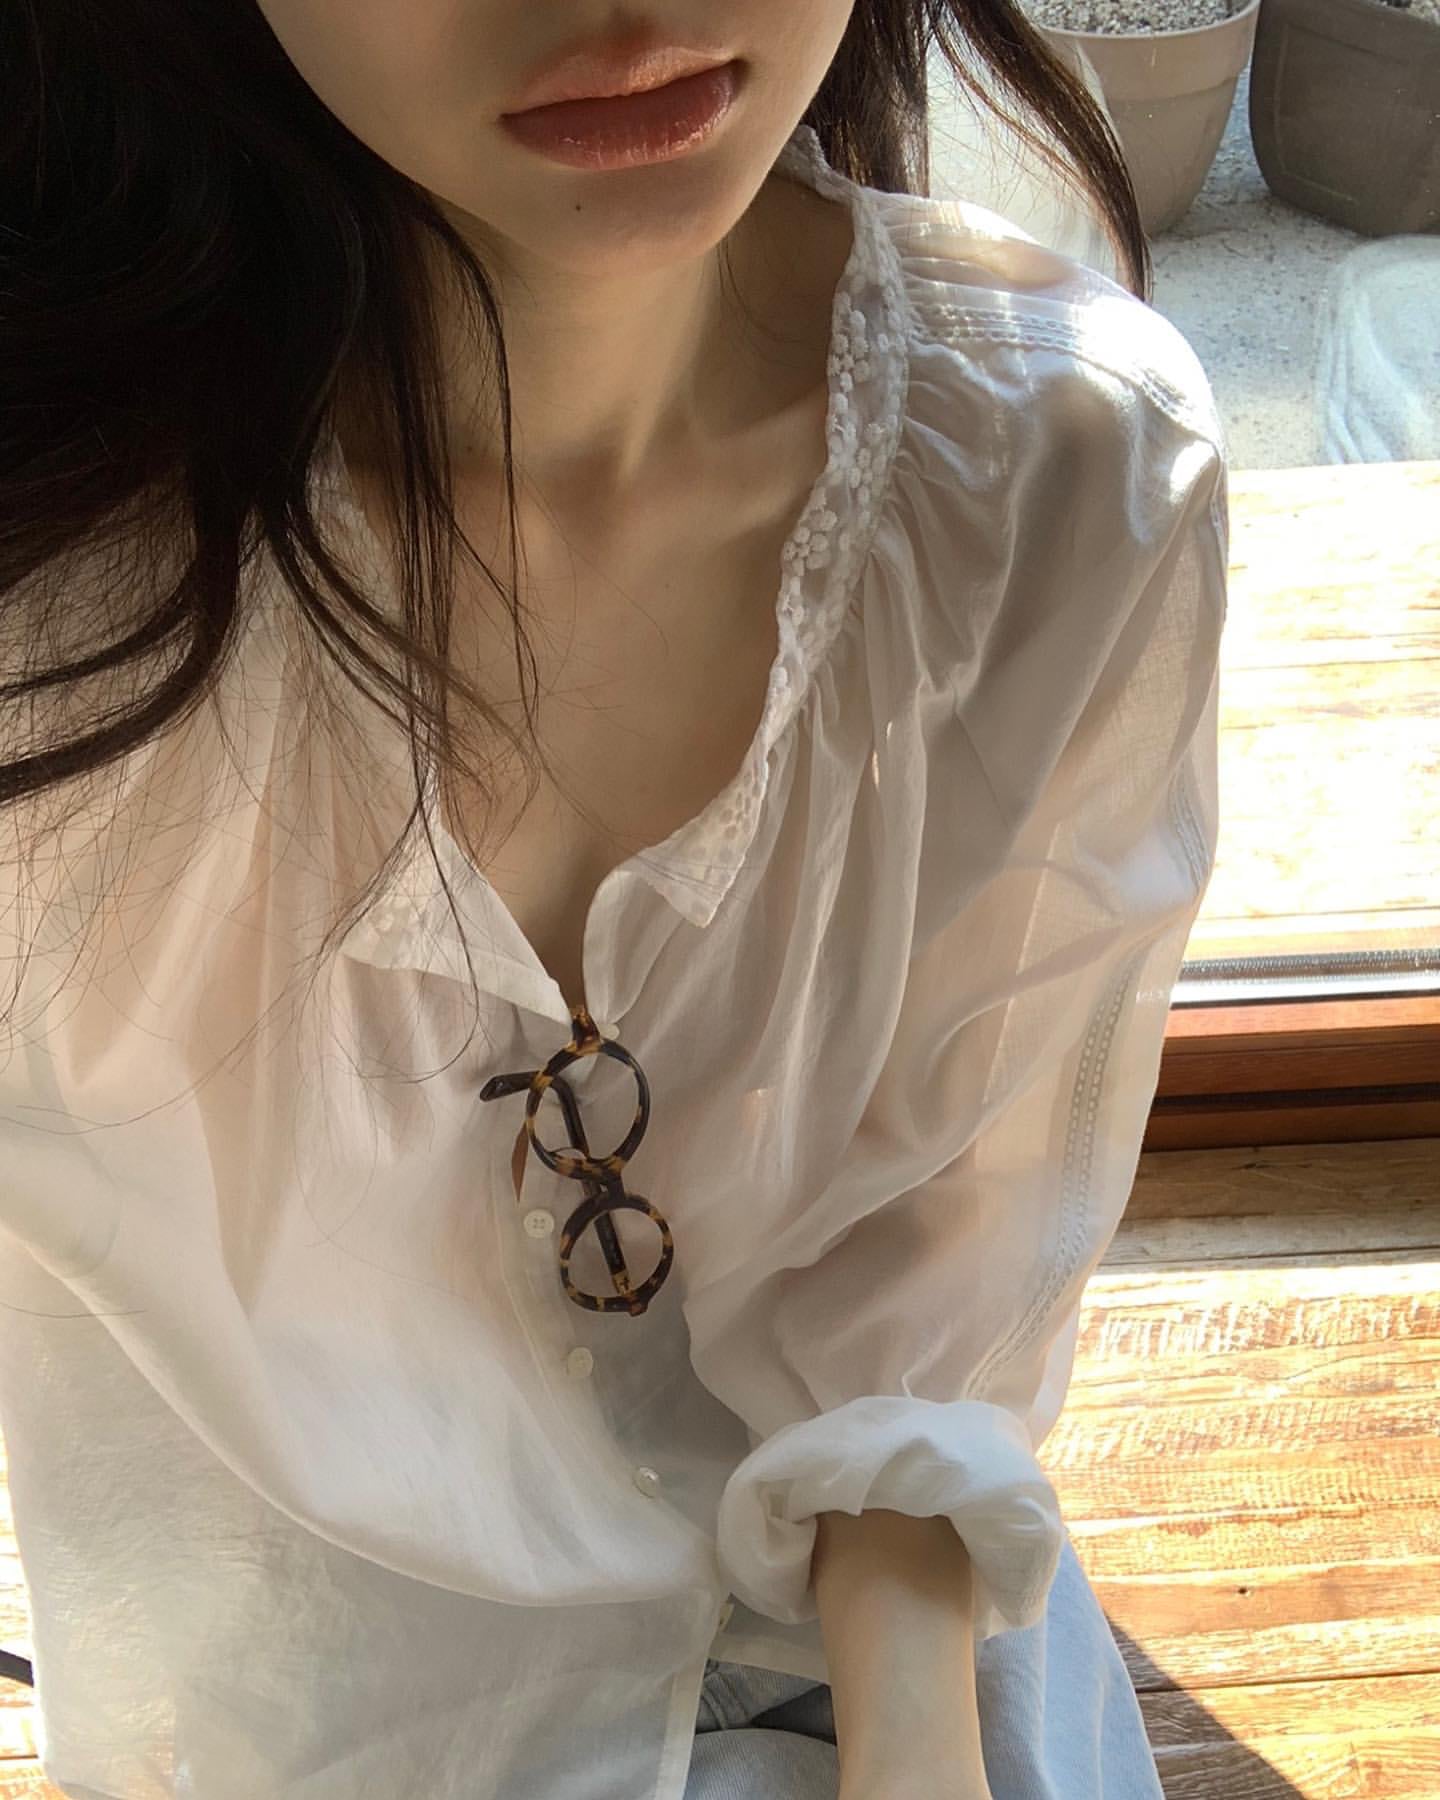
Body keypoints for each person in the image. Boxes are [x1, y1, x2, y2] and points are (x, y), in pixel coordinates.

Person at [0, 3, 1228, 1796]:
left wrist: (917, 1759)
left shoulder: (1058, 469)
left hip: (899, 1628)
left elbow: (931, 1295)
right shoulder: (52, 630)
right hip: (330, 1716)